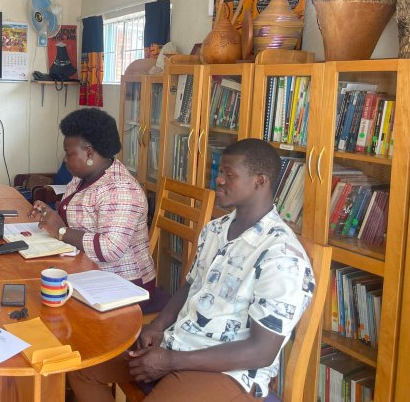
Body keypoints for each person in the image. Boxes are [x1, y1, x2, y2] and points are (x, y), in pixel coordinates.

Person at [67, 139, 315, 401]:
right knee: (83, 367)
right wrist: (158, 327)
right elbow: (191, 285)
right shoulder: (215, 229)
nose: (219, 180)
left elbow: (262, 351)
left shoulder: (282, 255)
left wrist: (171, 361)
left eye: (229, 175)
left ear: (259, 181)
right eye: (220, 172)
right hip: (180, 342)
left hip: (228, 371)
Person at [28, 108, 155, 290]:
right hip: (87, 270)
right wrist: (51, 215)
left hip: (124, 285)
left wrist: (61, 230)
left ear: (88, 153)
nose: (65, 159)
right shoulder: (81, 178)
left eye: (69, 153)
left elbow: (111, 249)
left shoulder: (120, 188)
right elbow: (82, 220)